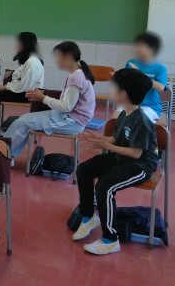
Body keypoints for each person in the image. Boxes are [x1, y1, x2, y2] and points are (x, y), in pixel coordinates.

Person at [73, 68, 158, 256]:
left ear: (123, 93)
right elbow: (116, 140)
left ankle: (111, 239)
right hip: (122, 158)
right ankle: (88, 216)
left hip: (140, 165)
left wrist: (107, 145)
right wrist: (99, 139)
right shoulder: (124, 114)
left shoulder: (141, 120)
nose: (110, 90)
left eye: (114, 87)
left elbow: (136, 153)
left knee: (104, 187)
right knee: (84, 169)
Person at [4, 41, 96, 157]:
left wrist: (43, 98)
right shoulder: (79, 74)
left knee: (21, 123)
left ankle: (2, 154)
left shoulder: (76, 77)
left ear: (68, 56)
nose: (56, 60)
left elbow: (66, 107)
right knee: (23, 119)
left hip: (72, 122)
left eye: (58, 56)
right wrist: (42, 97)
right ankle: (8, 155)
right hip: (68, 118)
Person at [0, 32, 44, 136]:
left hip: (27, 95)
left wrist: (5, 87)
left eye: (18, 43)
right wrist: (4, 87)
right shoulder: (29, 60)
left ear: (25, 44)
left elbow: (23, 86)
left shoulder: (32, 62)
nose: (16, 45)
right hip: (24, 92)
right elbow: (19, 82)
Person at [116, 32, 167, 123]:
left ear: (152, 48)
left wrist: (140, 74)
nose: (138, 49)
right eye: (137, 46)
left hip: (150, 106)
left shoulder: (160, 68)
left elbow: (162, 88)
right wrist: (117, 78)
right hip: (129, 103)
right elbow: (125, 84)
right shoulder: (131, 62)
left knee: (137, 121)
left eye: (141, 46)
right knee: (115, 119)